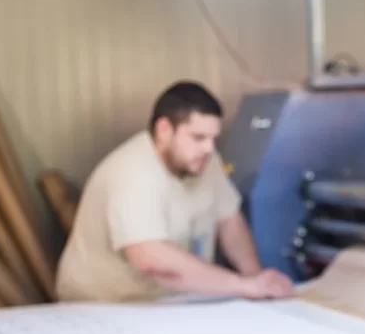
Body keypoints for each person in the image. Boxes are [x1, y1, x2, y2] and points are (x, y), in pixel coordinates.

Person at [55, 81, 295, 303]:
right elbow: (150, 258)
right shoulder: (132, 172)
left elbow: (230, 221)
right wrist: (242, 285)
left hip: (168, 300)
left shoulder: (203, 160)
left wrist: (256, 278)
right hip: (103, 303)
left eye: (213, 138)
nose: (209, 148)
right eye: (198, 137)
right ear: (164, 130)